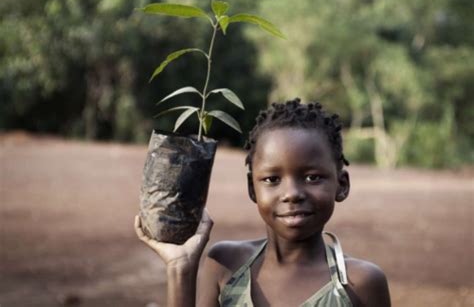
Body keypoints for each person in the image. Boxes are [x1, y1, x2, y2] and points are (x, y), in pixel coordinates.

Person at [135, 98, 391, 307]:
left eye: (312, 177)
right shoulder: (226, 265)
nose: (291, 193)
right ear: (252, 188)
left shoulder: (360, 284)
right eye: (272, 179)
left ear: (342, 184)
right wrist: (180, 268)